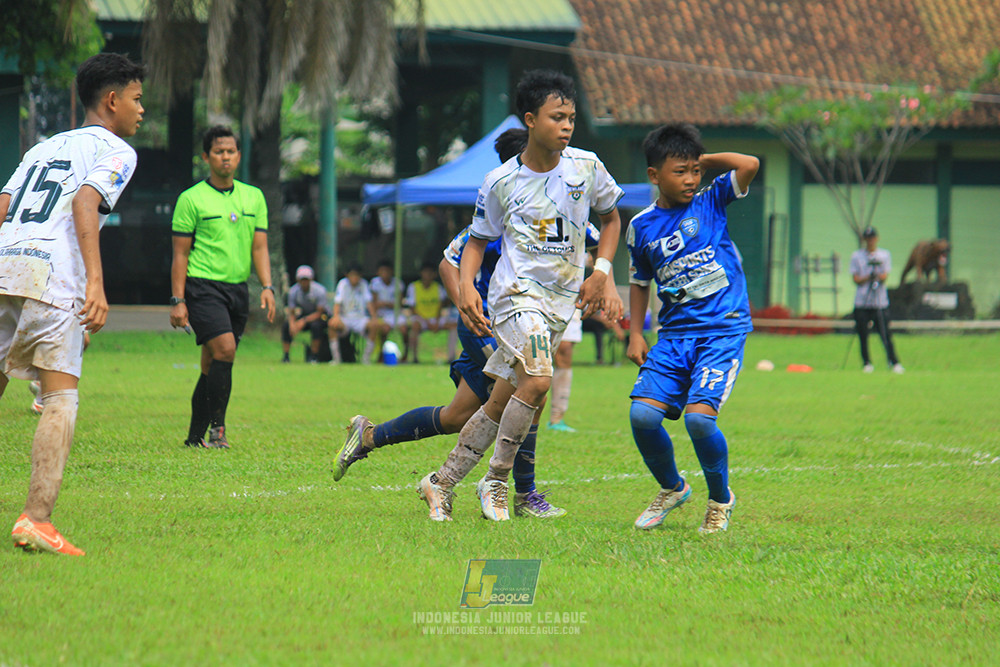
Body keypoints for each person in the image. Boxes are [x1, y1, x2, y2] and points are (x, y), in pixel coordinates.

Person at [420, 69, 623, 522]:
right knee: (539, 379)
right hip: (514, 297)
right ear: (530, 120)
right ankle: (495, 482)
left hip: (560, 304)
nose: (567, 126)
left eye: (571, 118)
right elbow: (476, 242)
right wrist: (466, 289)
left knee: (503, 401)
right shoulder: (501, 181)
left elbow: (612, 220)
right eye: (557, 117)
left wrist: (602, 274)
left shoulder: (587, 167)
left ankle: (441, 482)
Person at [0, 53, 145, 555]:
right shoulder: (118, 150)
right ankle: (37, 520)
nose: (141, 110)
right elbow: (85, 201)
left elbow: (3, 205)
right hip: (54, 278)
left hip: (7, 266)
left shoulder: (43, 147)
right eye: (136, 99)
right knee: (60, 397)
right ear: (112, 100)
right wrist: (95, 284)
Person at [625, 123, 759, 535]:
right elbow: (639, 281)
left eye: (694, 171)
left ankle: (720, 500)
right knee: (642, 416)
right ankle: (673, 488)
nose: (690, 179)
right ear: (654, 175)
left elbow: (749, 164)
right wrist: (635, 333)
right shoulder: (641, 226)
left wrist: (704, 159)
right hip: (674, 336)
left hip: (722, 330)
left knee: (700, 421)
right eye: (679, 171)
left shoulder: (710, 200)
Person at [169, 126, 276, 449]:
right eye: (218, 152)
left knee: (211, 363)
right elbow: (180, 254)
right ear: (206, 157)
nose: (225, 157)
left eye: (230, 151)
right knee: (225, 350)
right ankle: (218, 432)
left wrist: (267, 286)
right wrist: (178, 300)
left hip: (237, 290)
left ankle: (194, 437)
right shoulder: (190, 199)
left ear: (239, 156)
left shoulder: (254, 197)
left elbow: (260, 247)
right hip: (203, 287)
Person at [851, 226, 904, 374]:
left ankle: (893, 361)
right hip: (862, 302)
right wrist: (868, 277)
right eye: (868, 238)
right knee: (863, 334)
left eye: (872, 238)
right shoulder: (857, 256)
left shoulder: (884, 255)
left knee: (885, 333)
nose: (870, 241)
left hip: (879, 302)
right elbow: (856, 278)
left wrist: (877, 276)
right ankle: (866, 362)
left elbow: (885, 275)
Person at [281, 264, 330, 363]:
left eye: (306, 280)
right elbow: (292, 311)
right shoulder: (293, 291)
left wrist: (303, 321)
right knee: (286, 326)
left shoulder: (319, 291)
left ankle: (314, 356)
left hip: (320, 316)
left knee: (316, 326)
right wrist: (292, 324)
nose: (304, 282)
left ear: (311, 279)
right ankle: (286, 356)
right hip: (304, 314)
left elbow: (320, 312)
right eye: (302, 280)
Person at [329, 263, 377, 364]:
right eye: (352, 275)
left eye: (357, 275)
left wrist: (373, 317)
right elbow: (337, 303)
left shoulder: (364, 284)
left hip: (360, 319)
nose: (354, 278)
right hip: (345, 318)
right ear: (347, 275)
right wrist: (336, 316)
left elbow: (369, 303)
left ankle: (366, 358)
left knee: (374, 326)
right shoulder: (343, 284)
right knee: (332, 324)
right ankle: (336, 358)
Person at [405, 262, 450, 364]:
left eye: (430, 273)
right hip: (420, 318)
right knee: (415, 326)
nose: (428, 275)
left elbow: (441, 306)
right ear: (421, 273)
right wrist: (427, 322)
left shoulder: (438, 288)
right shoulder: (414, 287)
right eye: (426, 272)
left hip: (435, 318)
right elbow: (412, 308)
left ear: (434, 274)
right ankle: (414, 358)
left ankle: (451, 357)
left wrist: (437, 321)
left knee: (453, 326)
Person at [368, 259, 408, 361]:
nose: (385, 274)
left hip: (395, 314)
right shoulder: (375, 283)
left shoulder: (398, 283)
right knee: (385, 329)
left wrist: (385, 304)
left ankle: (405, 354)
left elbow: (399, 304)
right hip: (382, 315)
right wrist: (388, 304)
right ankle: (381, 354)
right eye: (382, 271)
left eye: (387, 271)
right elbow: (374, 304)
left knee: (404, 329)